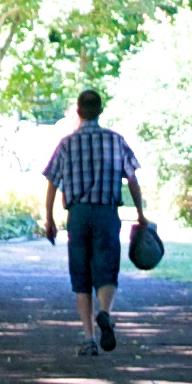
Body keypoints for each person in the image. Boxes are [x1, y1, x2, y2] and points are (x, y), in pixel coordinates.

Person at [40, 84, 149, 356]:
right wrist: (140, 213)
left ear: (78, 111)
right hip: (106, 213)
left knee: (81, 275)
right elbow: (132, 179)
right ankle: (105, 312)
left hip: (78, 215)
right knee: (106, 268)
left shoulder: (66, 144)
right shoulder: (116, 140)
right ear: (100, 111)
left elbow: (52, 182)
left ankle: (89, 338)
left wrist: (49, 218)